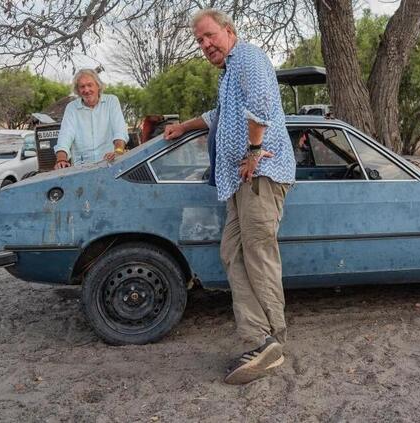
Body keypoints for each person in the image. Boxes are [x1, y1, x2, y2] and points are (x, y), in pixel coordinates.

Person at [164, 9, 296, 385]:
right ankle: (258, 337)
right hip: (240, 180)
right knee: (232, 251)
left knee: (257, 252)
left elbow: (261, 105)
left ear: (228, 30)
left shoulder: (249, 57)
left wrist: (254, 150)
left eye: (210, 36)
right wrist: (182, 127)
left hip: (261, 175)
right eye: (200, 41)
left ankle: (273, 339)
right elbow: (218, 115)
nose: (206, 45)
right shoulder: (229, 73)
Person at [54, 69, 128, 169]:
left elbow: (119, 130)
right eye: (82, 87)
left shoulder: (111, 101)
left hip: (110, 163)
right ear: (78, 91)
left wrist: (118, 151)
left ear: (98, 86)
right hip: (82, 168)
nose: (86, 90)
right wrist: (61, 159)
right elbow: (65, 135)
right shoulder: (72, 108)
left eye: (90, 85)